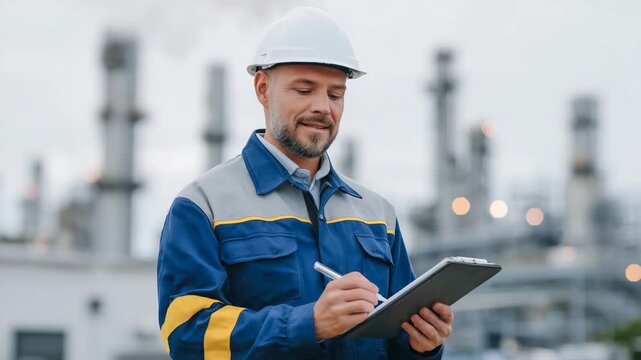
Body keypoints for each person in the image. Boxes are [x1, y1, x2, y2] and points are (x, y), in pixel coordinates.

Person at [157, 7, 453, 359]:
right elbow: (187, 336)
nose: (323, 108)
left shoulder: (378, 215)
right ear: (263, 88)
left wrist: (423, 346)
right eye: (304, 90)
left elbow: (394, 344)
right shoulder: (203, 205)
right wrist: (308, 324)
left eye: (335, 94)